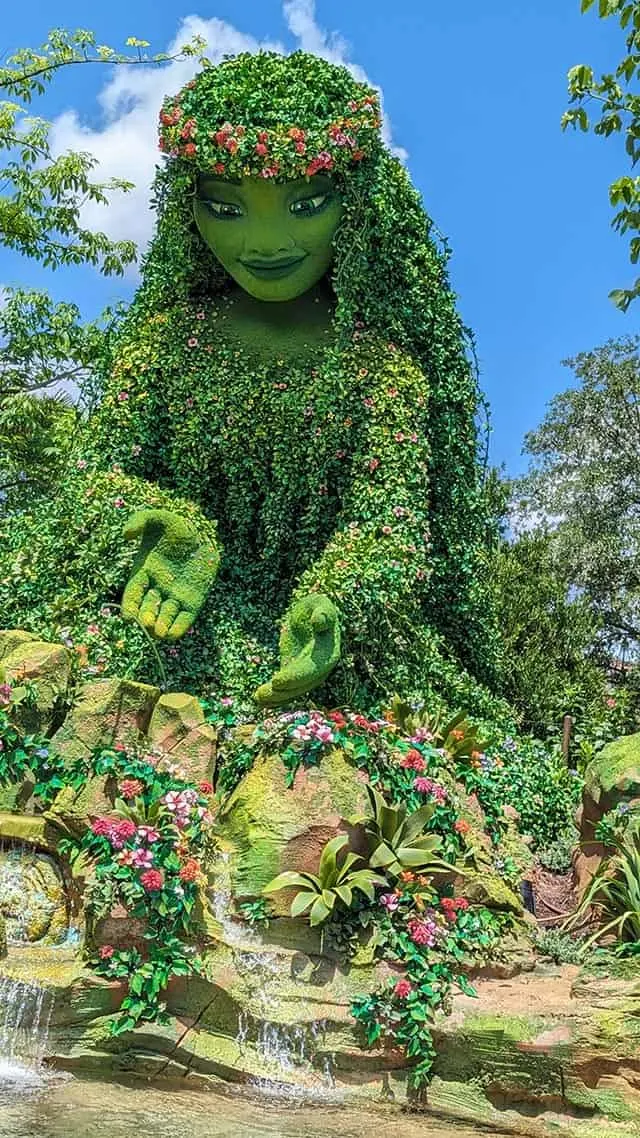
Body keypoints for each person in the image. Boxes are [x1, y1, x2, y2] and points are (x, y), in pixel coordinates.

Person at [0, 51, 500, 711]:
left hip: (322, 663)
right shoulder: (167, 345)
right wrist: (159, 525)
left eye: (306, 204)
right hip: (166, 626)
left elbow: (392, 521)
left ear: (357, 206)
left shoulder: (380, 372)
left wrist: (334, 597)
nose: (266, 241)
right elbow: (92, 479)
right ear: (191, 210)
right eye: (227, 208)